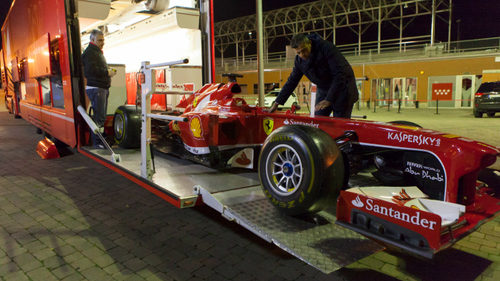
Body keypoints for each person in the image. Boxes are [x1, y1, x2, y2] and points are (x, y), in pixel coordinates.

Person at [267, 33, 358, 118]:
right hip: (324, 89)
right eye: (298, 53)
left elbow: (340, 74)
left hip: (343, 87)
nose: (302, 55)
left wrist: (329, 99)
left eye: (304, 50)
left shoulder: (326, 48)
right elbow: (292, 81)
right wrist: (277, 103)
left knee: (339, 124)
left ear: (310, 43)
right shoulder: (299, 61)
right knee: (318, 120)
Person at [81, 29, 116, 147]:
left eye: (103, 40)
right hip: (97, 88)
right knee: (99, 118)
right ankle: (98, 143)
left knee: (100, 117)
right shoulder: (90, 53)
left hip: (100, 88)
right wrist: (107, 72)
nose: (103, 42)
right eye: (100, 40)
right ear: (92, 40)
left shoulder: (96, 52)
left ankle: (99, 141)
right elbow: (90, 71)